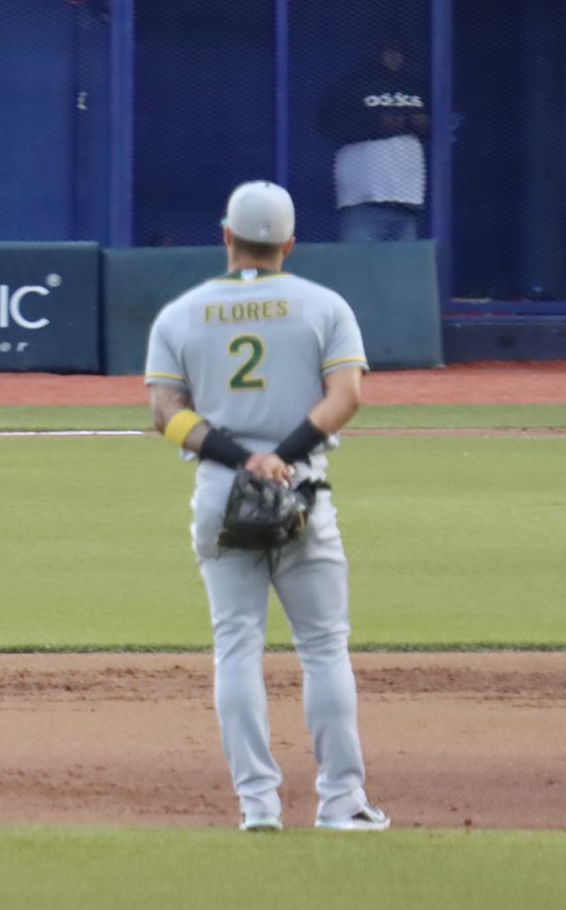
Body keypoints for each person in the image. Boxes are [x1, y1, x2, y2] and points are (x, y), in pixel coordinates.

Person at [144, 180, 389, 833]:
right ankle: (341, 804)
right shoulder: (323, 305)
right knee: (323, 648)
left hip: (222, 493)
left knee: (236, 645)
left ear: (226, 236)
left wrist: (238, 456)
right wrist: (282, 454)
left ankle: (258, 806)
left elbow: (165, 414)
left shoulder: (181, 313)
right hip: (300, 487)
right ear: (289, 243)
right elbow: (348, 397)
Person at [318, 39, 429, 242]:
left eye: (399, 52)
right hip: (364, 196)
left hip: (406, 197)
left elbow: (435, 125)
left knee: (402, 267)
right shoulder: (353, 85)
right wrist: (375, 124)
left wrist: (421, 124)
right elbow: (328, 124)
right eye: (389, 52)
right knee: (357, 265)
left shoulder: (416, 86)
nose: (395, 57)